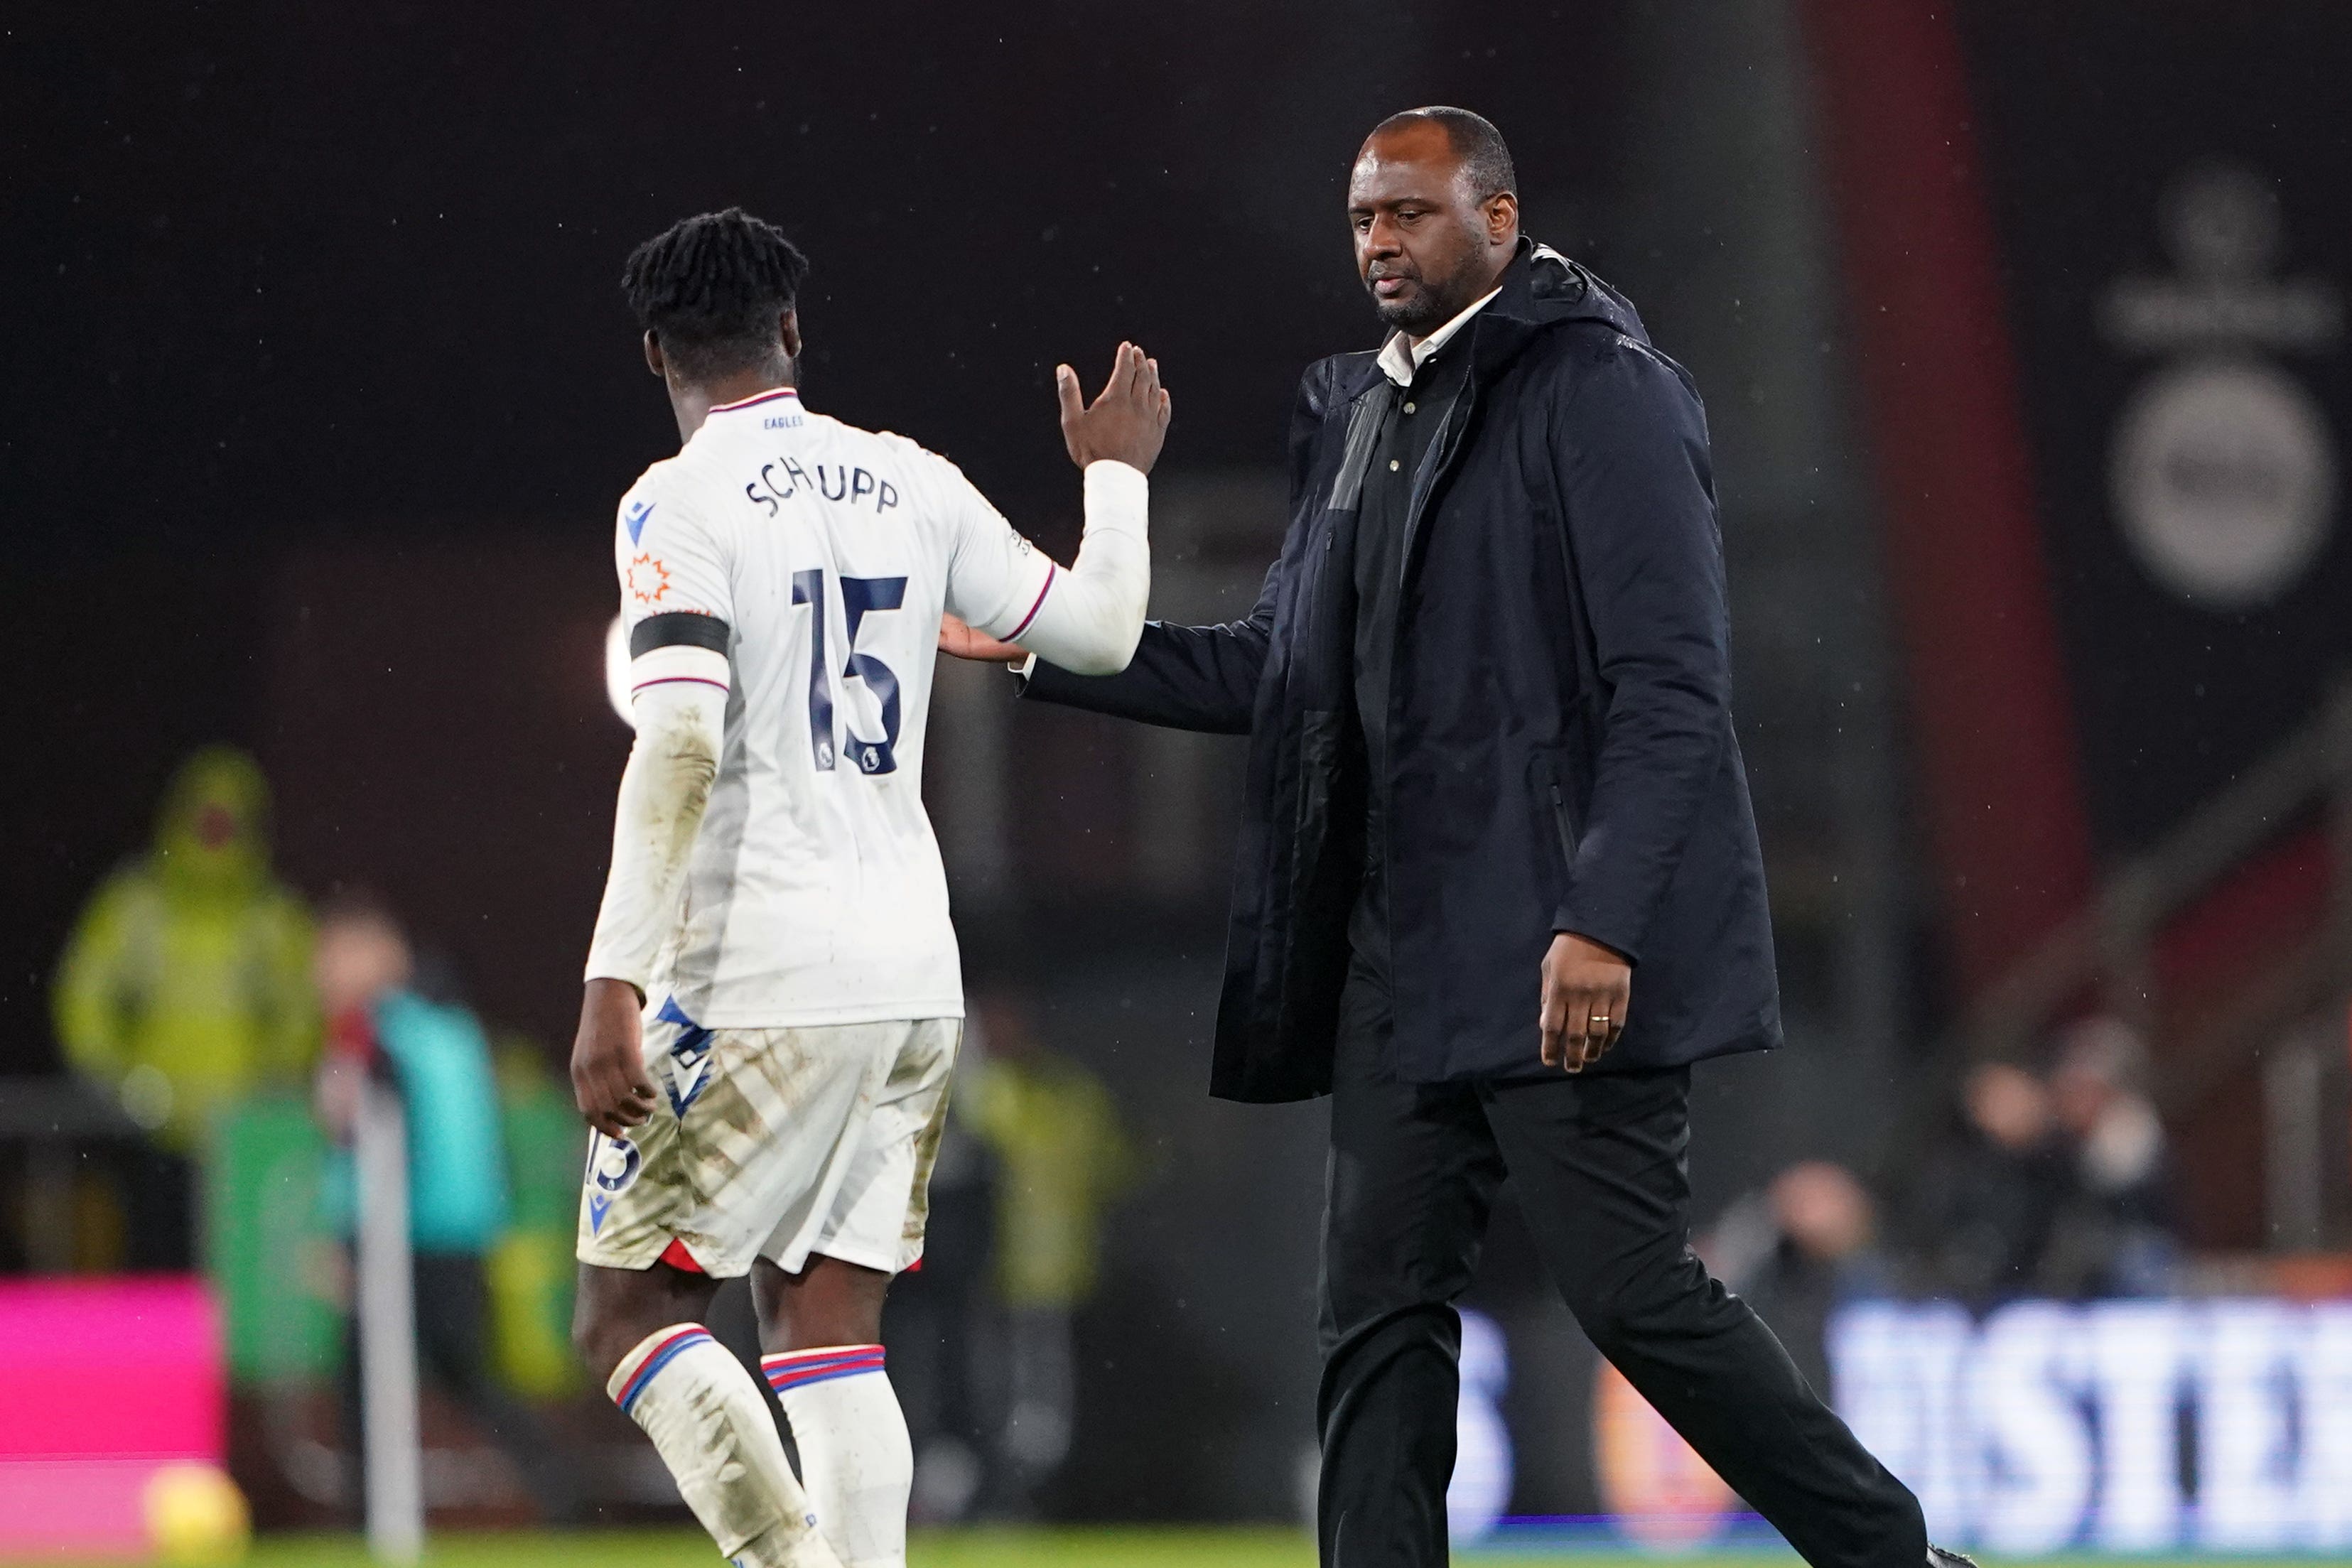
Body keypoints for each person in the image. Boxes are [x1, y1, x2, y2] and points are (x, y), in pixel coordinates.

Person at [946, 109, 1946, 1568]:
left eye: (1409, 214)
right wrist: (1047, 639)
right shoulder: (1360, 413)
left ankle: (1891, 1555)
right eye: (1360, 217)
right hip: (1400, 951)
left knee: (1631, 1297)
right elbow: (1279, 674)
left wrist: (1600, 912)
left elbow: (1670, 686)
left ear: (1499, 217)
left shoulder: (1601, 390)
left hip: (1554, 940)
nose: (1377, 244)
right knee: (1376, 1309)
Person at [563, 207, 1169, 1568]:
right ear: (794, 329)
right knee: (825, 1328)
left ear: (657, 351)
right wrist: (1115, 477)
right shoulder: (911, 478)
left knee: (625, 1314)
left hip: (754, 971)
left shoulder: (677, 498)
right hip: (910, 976)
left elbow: (678, 739)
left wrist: (614, 977)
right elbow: (1103, 632)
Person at [311, 894, 581, 1523]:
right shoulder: (449, 1026)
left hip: (406, 1238)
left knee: (380, 1385)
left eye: (334, 954)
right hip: (458, 1233)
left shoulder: (376, 1034)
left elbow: (384, 1140)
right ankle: (563, 1495)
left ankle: (371, 1520)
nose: (321, 970)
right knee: (460, 1378)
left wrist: (356, 1240)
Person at [53, 745, 317, 1269]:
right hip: (152, 1124)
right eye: (205, 820)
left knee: (238, 1264)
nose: (214, 834)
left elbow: (302, 1009)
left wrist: (272, 1084)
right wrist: (117, 1079)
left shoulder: (271, 917)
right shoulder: (137, 905)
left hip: (240, 1131)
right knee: (151, 1260)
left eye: (226, 823)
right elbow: (84, 998)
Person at [963, 990, 1133, 1510]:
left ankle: (1029, 1498)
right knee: (991, 1395)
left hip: (1050, 1279)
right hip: (982, 1277)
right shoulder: (985, 1090)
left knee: (1041, 1403)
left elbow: (1115, 1168)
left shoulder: (1062, 1094)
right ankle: (1002, 1494)